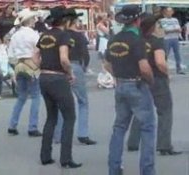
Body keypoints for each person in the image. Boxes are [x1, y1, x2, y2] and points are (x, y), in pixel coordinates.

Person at [104, 5, 156, 175]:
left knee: (119, 128)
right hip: (137, 84)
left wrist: (119, 75)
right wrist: (151, 81)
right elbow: (144, 67)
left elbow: (107, 64)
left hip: (120, 85)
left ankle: (114, 168)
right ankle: (147, 170)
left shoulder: (114, 39)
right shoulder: (137, 40)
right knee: (147, 128)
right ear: (138, 20)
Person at [127, 13, 182, 156]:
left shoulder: (136, 40)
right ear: (152, 27)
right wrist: (167, 74)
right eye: (158, 25)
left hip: (140, 77)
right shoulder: (156, 41)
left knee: (141, 109)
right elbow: (160, 62)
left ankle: (133, 141)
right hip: (157, 78)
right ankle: (164, 144)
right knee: (164, 110)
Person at [38, 6, 82, 168]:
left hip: (44, 77)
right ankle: (66, 158)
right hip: (58, 78)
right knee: (69, 117)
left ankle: (45, 155)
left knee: (51, 117)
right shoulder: (63, 36)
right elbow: (64, 59)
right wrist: (70, 73)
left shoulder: (44, 35)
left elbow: (35, 55)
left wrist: (42, 66)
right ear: (65, 20)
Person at [53, 8, 96, 146]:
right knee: (82, 101)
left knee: (61, 103)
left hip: (60, 67)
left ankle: (58, 134)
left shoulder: (60, 35)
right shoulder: (79, 36)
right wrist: (83, 68)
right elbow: (86, 55)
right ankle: (83, 133)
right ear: (73, 21)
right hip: (76, 66)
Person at [7, 8, 42, 137]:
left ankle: (12, 124)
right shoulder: (33, 34)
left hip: (19, 65)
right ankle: (32, 127)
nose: (34, 20)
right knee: (35, 96)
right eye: (33, 18)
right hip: (31, 65)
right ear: (29, 20)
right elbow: (39, 50)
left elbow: (10, 55)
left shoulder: (15, 35)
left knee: (21, 96)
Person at [160, 7, 185, 74]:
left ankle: (179, 69)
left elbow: (179, 29)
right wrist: (174, 30)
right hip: (167, 39)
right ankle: (163, 69)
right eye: (168, 11)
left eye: (170, 11)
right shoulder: (162, 20)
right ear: (165, 12)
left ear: (172, 12)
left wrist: (174, 30)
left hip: (175, 38)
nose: (169, 13)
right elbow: (165, 30)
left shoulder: (175, 20)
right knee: (166, 54)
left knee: (177, 54)